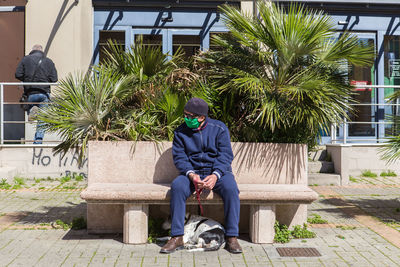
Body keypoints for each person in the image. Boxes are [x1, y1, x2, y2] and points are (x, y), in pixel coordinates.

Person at [160, 97, 242, 254]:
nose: (187, 119)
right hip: (192, 173)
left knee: (231, 189)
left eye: (191, 116)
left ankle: (232, 237)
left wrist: (215, 175)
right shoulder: (180, 132)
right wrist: (191, 174)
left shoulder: (219, 128)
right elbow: (180, 158)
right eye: (185, 115)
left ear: (202, 117)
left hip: (217, 172)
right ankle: (177, 236)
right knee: (177, 187)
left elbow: (225, 155)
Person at [15, 44, 58, 144]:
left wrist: (27, 79)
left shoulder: (25, 60)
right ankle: (38, 141)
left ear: (32, 50)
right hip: (44, 93)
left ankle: (31, 110)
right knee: (42, 119)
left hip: (30, 93)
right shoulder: (49, 61)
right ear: (42, 51)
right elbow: (54, 79)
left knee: (31, 107)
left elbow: (18, 74)